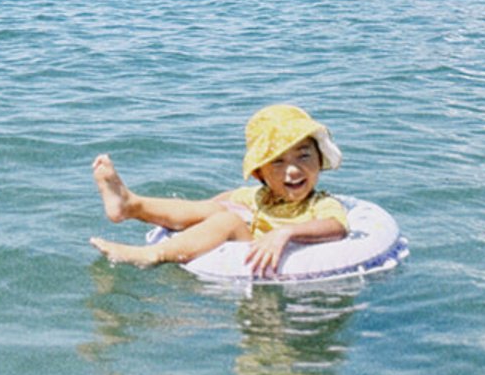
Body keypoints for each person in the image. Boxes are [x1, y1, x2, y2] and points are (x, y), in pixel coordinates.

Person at [89, 105, 348, 277]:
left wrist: (286, 232)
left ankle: (151, 255)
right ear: (260, 174)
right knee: (215, 208)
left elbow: (336, 227)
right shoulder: (256, 196)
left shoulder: (319, 203)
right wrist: (197, 219)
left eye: (304, 157)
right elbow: (221, 201)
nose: (293, 170)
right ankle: (129, 204)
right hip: (240, 245)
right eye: (278, 162)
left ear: (319, 161)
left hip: (261, 258)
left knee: (227, 219)